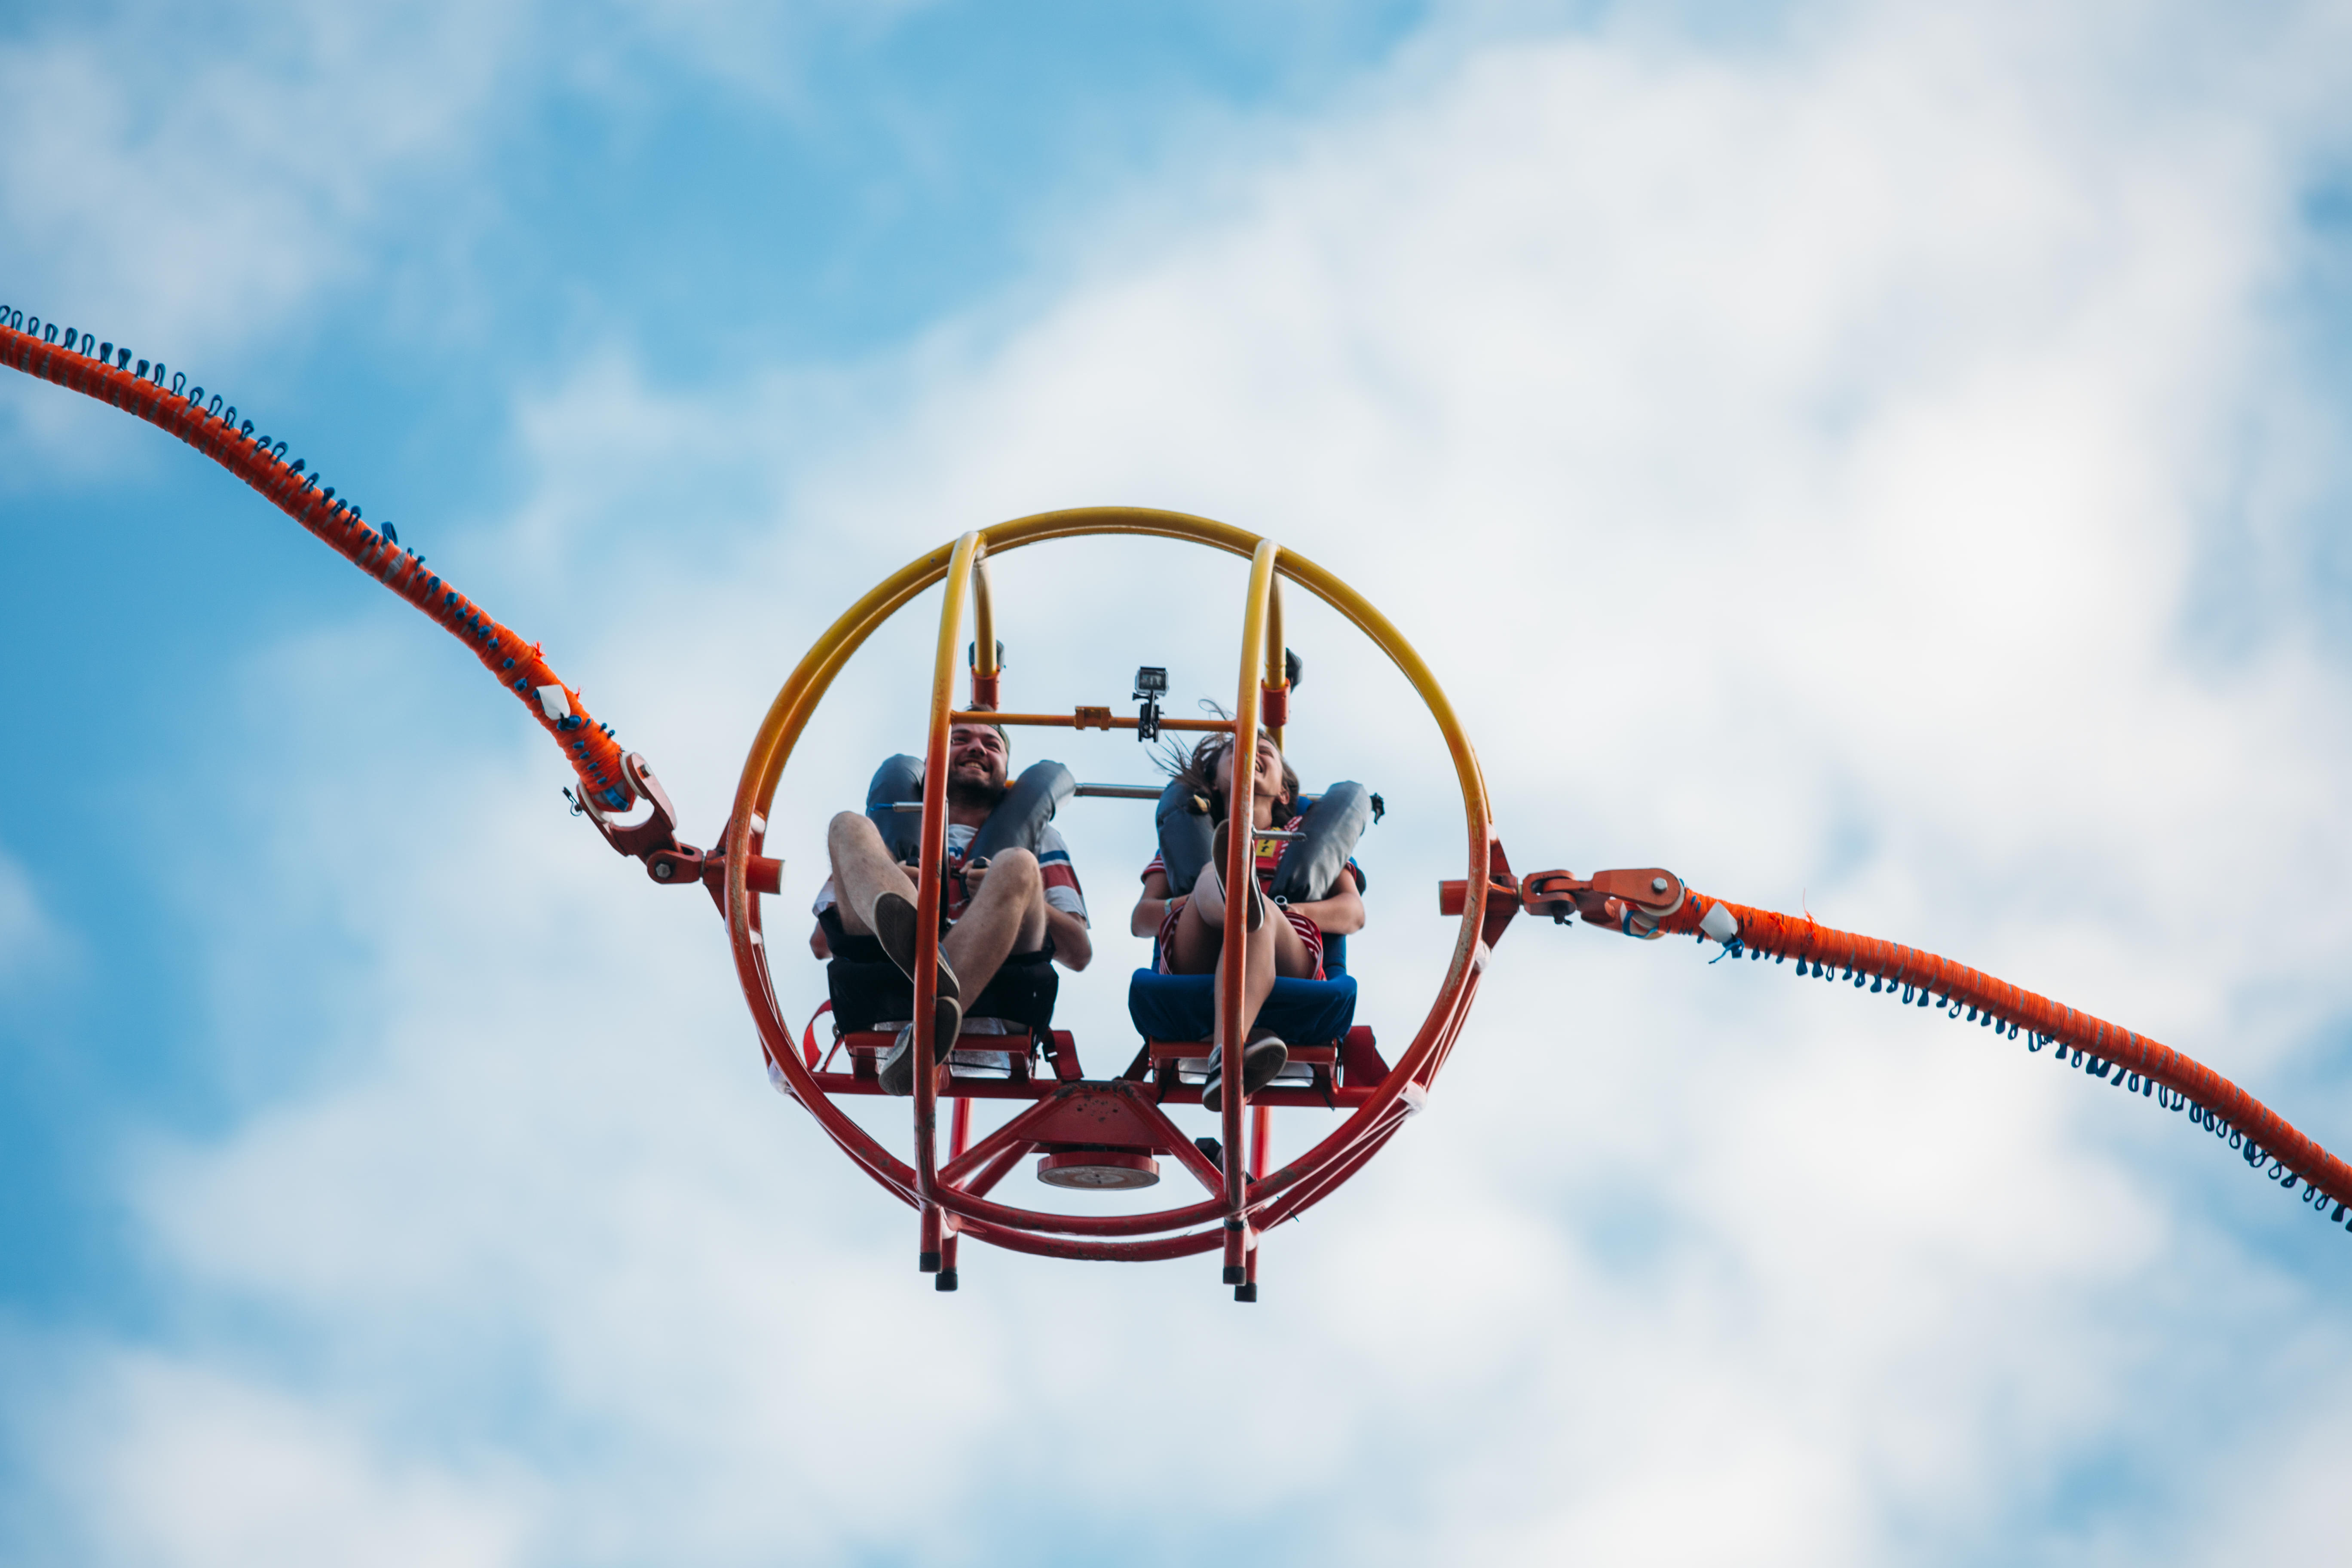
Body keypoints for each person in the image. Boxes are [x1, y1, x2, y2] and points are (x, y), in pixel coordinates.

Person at [811, 722, 1091, 1094]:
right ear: (931, 763)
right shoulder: (887, 830)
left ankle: (928, 1023)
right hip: (887, 979)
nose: (977, 748)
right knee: (846, 825)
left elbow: (1079, 952)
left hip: (1001, 986)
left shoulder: (1042, 839)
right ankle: (922, 969)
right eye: (960, 740)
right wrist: (891, 877)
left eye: (991, 744)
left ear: (1008, 773)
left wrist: (1016, 893)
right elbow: (821, 943)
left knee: (1019, 864)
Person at [1130, 730, 1366, 1111]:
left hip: (1287, 947)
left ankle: (1226, 1051)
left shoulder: (1303, 838)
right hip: (1202, 938)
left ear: (1284, 793)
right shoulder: (1193, 842)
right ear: (1213, 782)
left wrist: (1287, 912)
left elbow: (1353, 914)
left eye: (1265, 751)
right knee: (1214, 874)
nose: (1251, 753)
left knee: (1259, 913)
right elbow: (1141, 920)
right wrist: (1198, 900)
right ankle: (1237, 905)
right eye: (1235, 752)